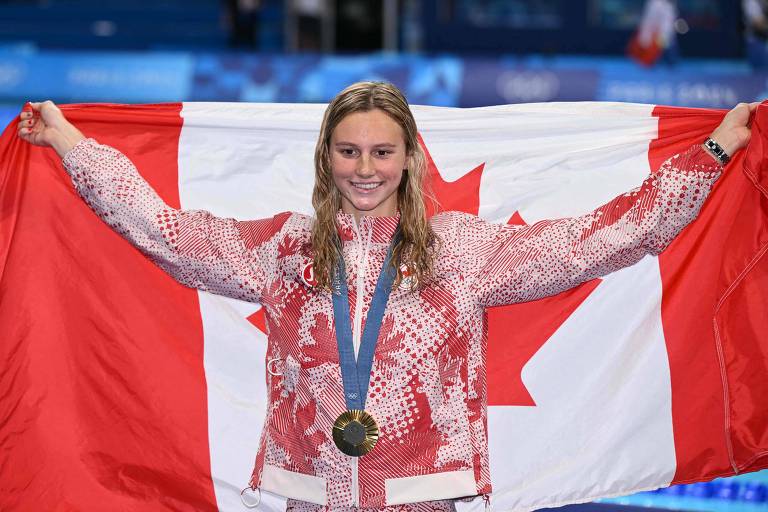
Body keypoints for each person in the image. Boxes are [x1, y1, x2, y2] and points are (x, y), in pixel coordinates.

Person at [17, 83, 756, 511]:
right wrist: (72, 145)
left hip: (428, 498)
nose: (364, 169)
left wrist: (715, 150)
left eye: (381, 152)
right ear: (325, 157)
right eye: (347, 151)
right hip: (308, 493)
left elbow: (608, 237)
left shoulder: (465, 250)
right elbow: (165, 232)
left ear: (408, 159)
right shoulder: (284, 250)